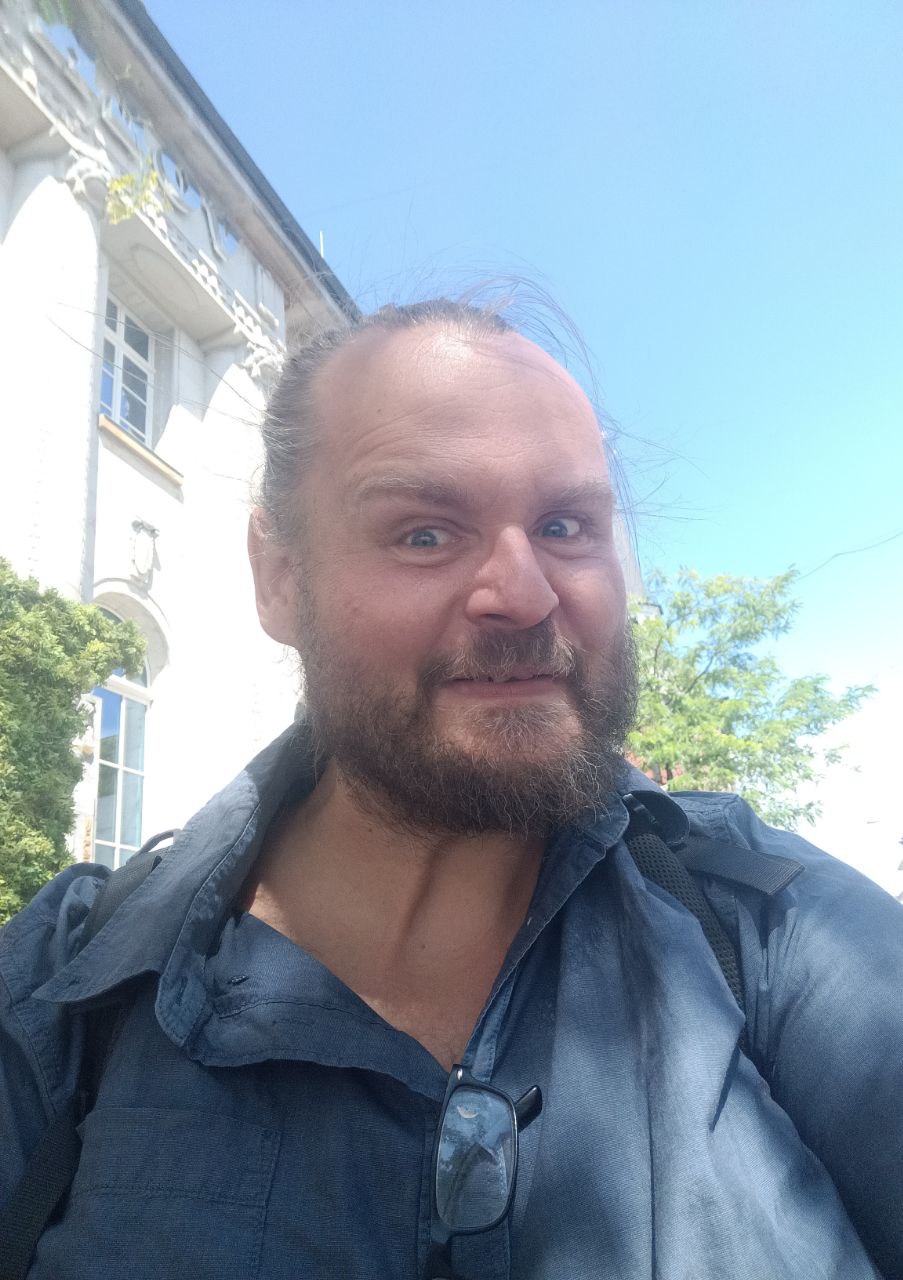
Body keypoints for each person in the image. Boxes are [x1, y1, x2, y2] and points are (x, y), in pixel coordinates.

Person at [1, 298, 901, 1280]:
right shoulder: (63, 992)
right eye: (425, 533)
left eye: (565, 526)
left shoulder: (769, 925)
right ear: (280, 578)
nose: (525, 593)